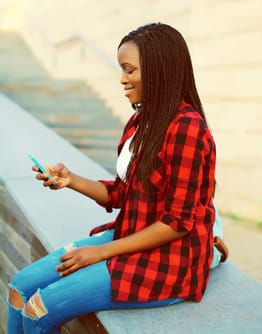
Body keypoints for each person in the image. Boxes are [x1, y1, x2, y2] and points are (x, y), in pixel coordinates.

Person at [7, 22, 228, 333]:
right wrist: (72, 180)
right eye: (122, 70)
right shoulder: (141, 121)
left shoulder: (187, 129)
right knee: (19, 288)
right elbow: (123, 194)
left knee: (38, 309)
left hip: (168, 263)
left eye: (130, 70)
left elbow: (177, 223)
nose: (122, 80)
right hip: (130, 235)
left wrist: (99, 253)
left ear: (158, 70)